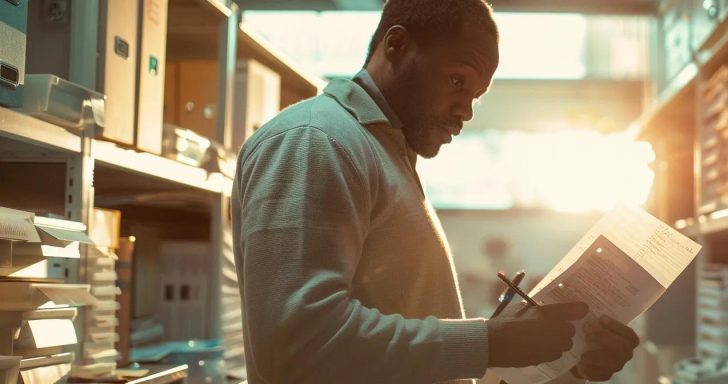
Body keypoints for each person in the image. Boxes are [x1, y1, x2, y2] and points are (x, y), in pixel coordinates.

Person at [231, 0, 639, 382]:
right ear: (397, 45)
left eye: (475, 96)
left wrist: (572, 366)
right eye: (458, 80)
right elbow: (296, 343)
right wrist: (492, 341)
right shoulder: (317, 139)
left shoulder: (385, 154)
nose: (467, 110)